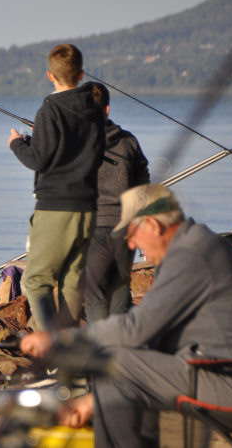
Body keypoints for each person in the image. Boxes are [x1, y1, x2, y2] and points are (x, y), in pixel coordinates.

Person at [20, 184, 232, 447]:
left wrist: (64, 339)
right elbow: (150, 340)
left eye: (132, 233)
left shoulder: (192, 254)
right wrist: (91, 401)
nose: (131, 243)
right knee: (121, 363)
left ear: (153, 224)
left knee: (117, 363)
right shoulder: (189, 249)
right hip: (228, 376)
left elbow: (137, 328)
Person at [8, 43, 105, 330]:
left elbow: (37, 159)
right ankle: (70, 360)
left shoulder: (49, 111)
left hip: (55, 209)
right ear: (81, 74)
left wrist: (16, 143)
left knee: (36, 282)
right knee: (71, 288)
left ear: (50, 75)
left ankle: (52, 350)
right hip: (87, 210)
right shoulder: (96, 112)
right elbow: (92, 155)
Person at [84, 83, 150, 321]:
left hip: (92, 225)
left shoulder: (77, 143)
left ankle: (102, 351)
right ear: (107, 109)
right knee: (121, 287)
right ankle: (120, 348)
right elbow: (144, 180)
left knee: (95, 294)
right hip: (126, 225)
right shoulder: (128, 141)